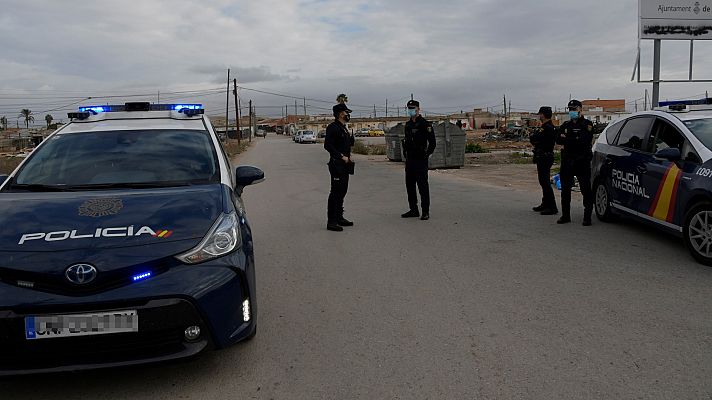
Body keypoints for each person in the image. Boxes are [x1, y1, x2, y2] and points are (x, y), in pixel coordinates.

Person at [556, 99, 594, 226]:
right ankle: (565, 215)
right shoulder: (566, 125)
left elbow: (584, 141)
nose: (572, 111)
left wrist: (568, 139)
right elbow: (559, 140)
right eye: (570, 109)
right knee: (565, 190)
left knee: (585, 189)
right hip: (568, 161)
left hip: (582, 162)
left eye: (574, 109)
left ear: (580, 110)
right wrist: (572, 139)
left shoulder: (587, 124)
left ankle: (587, 217)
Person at [401, 99, 436, 221]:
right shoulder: (408, 125)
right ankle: (413, 209)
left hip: (420, 160)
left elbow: (432, 143)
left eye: (413, 108)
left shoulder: (425, 124)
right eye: (409, 108)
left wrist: (427, 154)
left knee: (422, 187)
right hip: (410, 159)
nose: (411, 110)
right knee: (410, 186)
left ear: (418, 109)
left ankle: (425, 211)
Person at [324, 103, 355, 232]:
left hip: (345, 164)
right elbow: (328, 145)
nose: (348, 115)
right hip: (337, 164)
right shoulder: (333, 127)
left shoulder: (343, 128)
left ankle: (339, 217)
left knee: (342, 191)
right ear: (341, 113)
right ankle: (331, 221)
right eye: (347, 112)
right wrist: (341, 156)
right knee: (335, 192)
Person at [530, 106, 558, 215]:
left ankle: (552, 207)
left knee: (545, 182)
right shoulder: (546, 127)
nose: (539, 116)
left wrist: (534, 138)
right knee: (543, 181)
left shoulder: (548, 128)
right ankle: (545, 203)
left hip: (545, 156)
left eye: (540, 114)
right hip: (543, 156)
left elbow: (535, 139)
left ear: (543, 114)